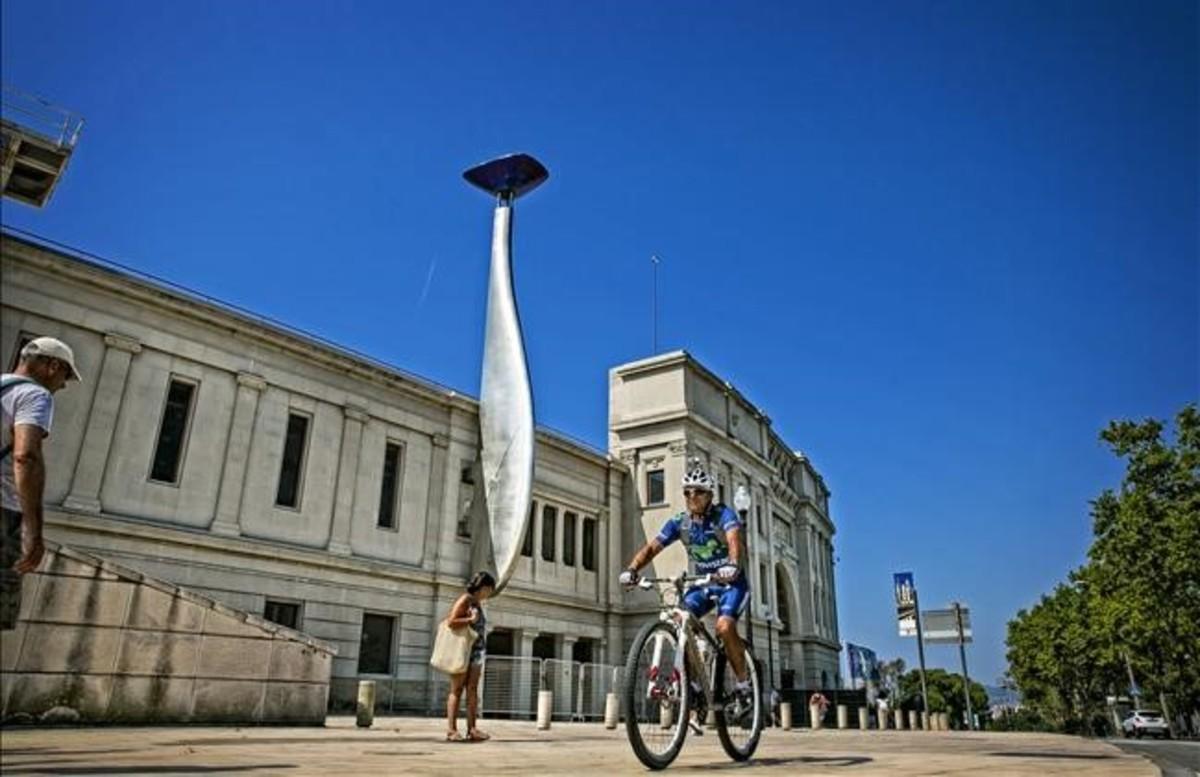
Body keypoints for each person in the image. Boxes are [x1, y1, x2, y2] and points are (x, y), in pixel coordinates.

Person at [619, 460, 752, 697]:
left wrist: (732, 565)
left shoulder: (723, 514)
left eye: (699, 492)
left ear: (709, 494)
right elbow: (652, 548)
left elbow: (734, 540)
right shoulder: (680, 522)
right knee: (681, 619)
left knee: (724, 626)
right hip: (705, 582)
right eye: (687, 492)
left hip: (732, 583)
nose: (693, 496)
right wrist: (632, 569)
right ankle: (696, 683)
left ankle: (743, 684)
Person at [1, 337, 82, 630]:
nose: (64, 385)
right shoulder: (35, 396)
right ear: (52, 366)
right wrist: (33, 530)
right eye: (65, 375)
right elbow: (26, 456)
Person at [444, 570, 496, 742]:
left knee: (472, 690)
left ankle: (472, 729)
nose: (489, 594)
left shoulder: (478, 603)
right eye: (489, 590)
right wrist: (470, 620)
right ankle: (452, 730)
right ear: (482, 587)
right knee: (456, 690)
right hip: (463, 651)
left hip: (477, 652)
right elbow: (451, 621)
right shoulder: (466, 599)